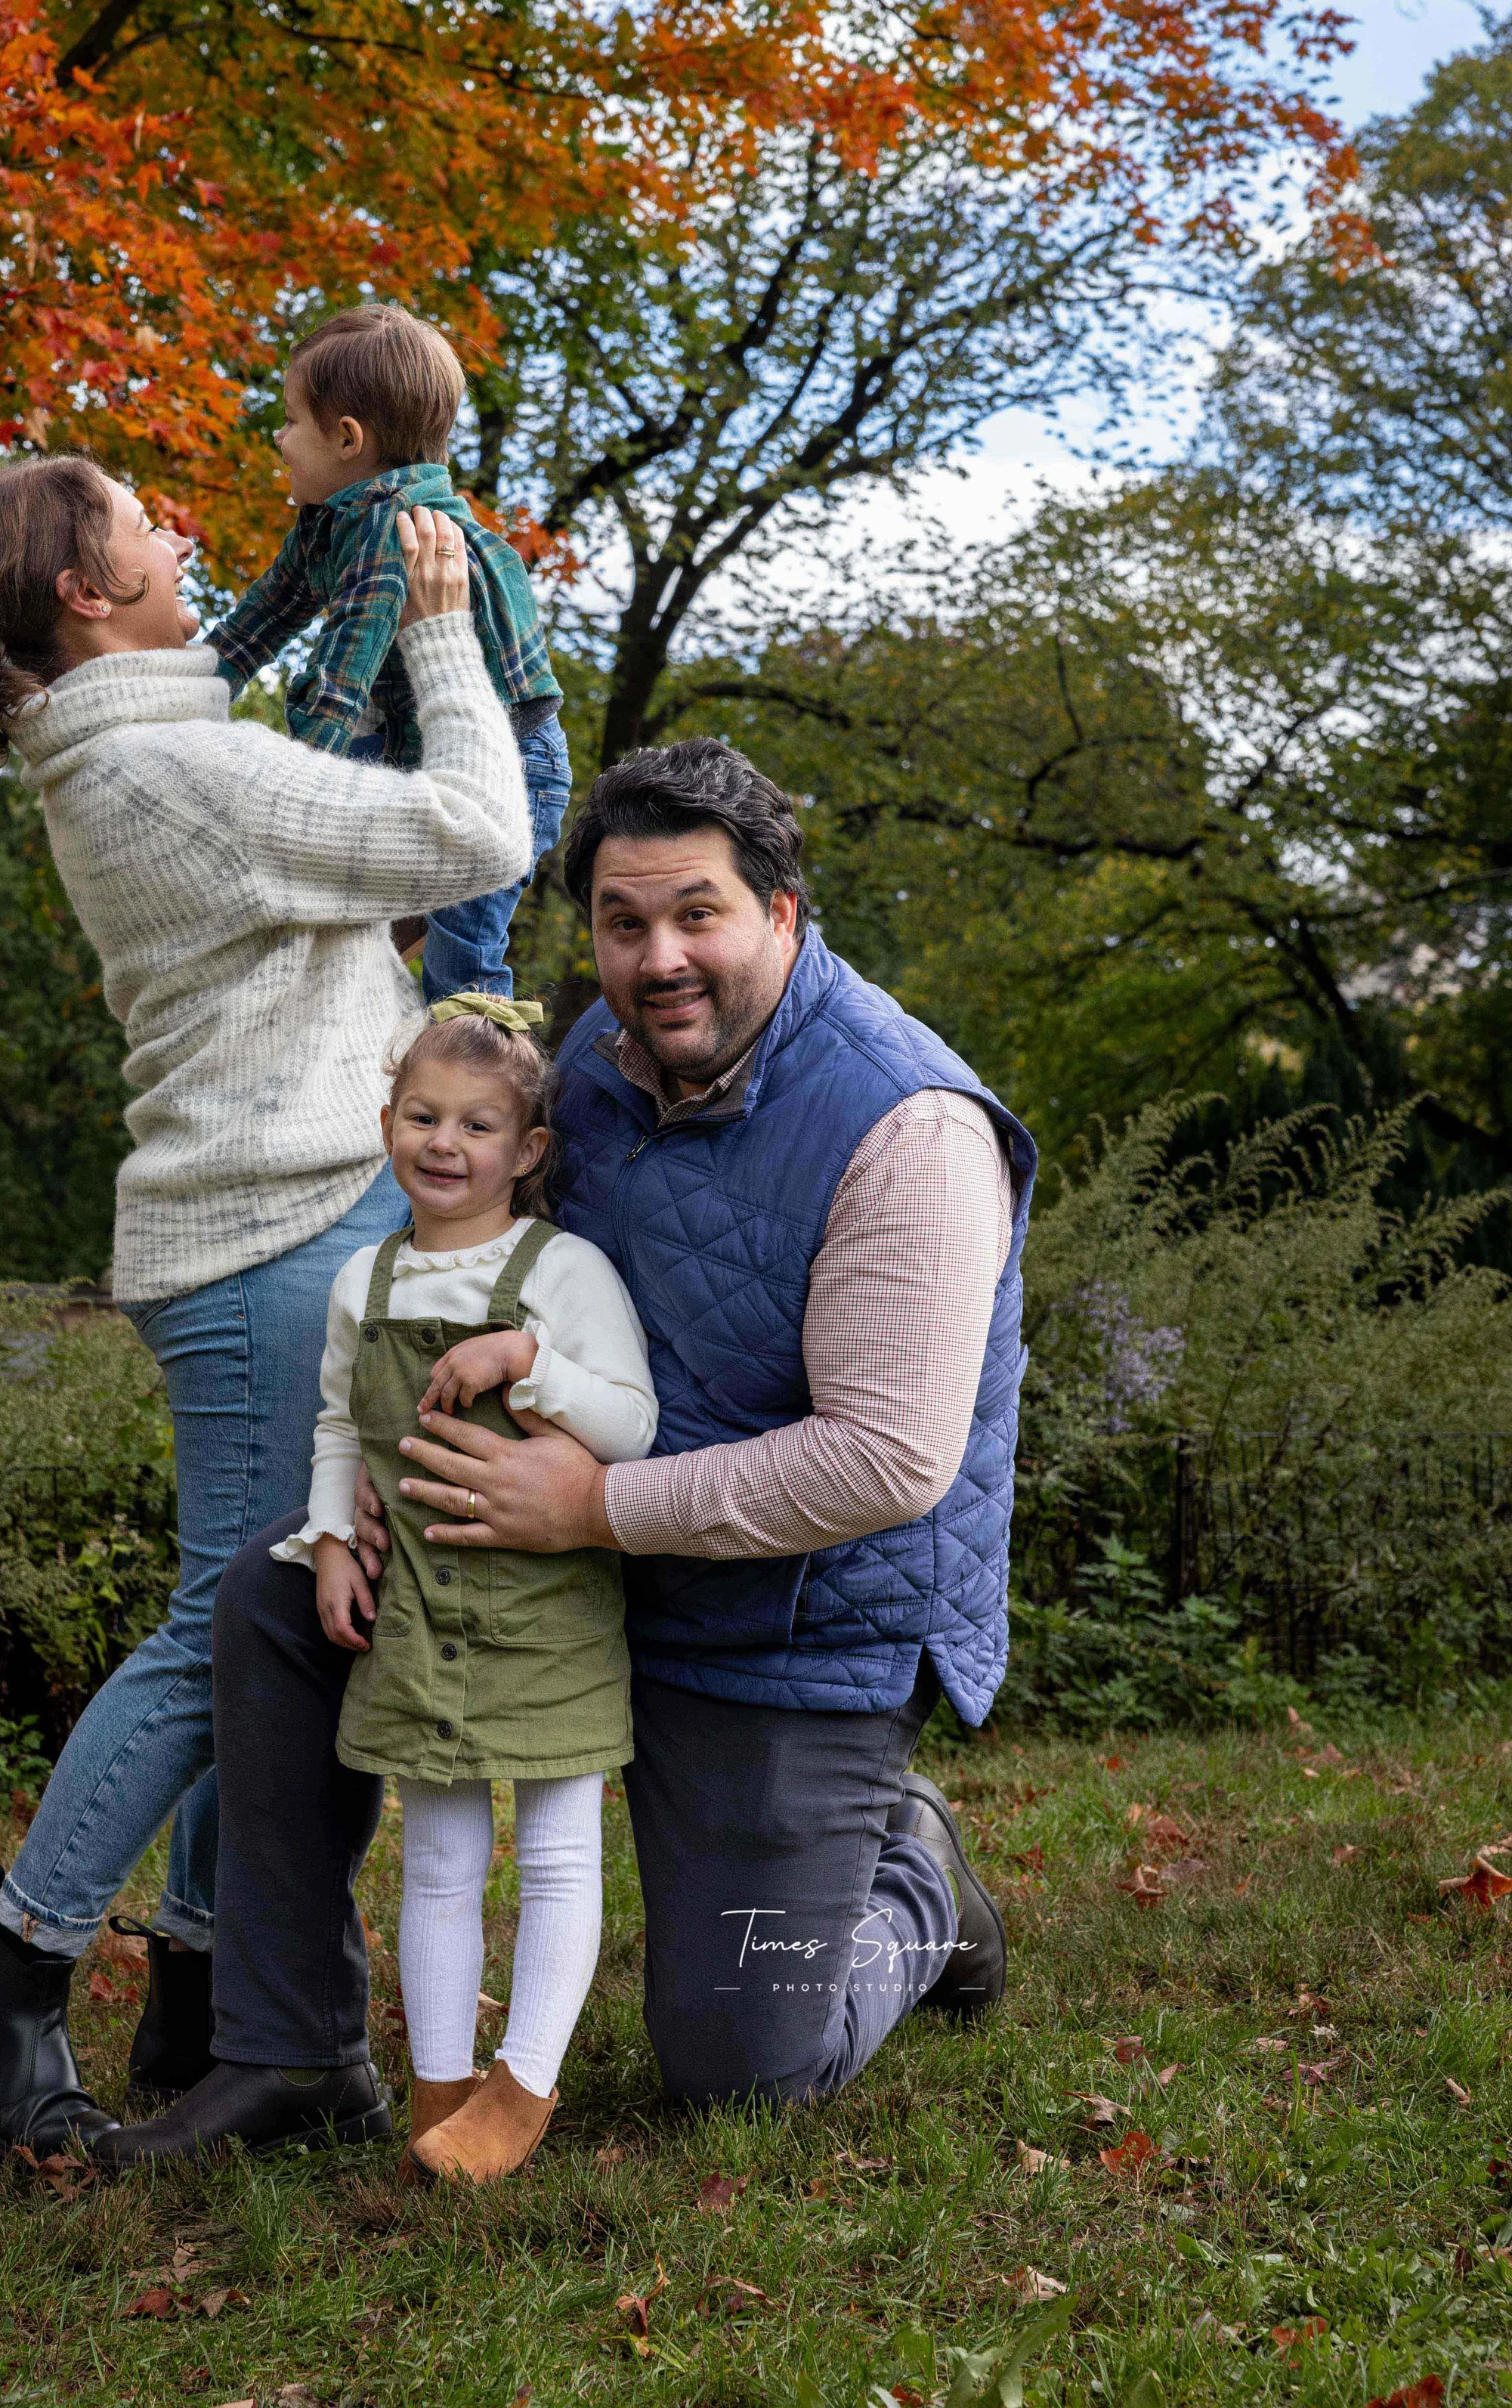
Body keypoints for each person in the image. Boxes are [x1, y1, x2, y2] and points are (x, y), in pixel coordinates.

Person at [97, 738, 1037, 2171]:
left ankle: (914, 1876)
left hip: (789, 1619)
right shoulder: (584, 1070)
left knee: (744, 2063)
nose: (658, 957)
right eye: (621, 921)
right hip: (555, 1568)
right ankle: (291, 2047)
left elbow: (884, 1463)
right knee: (274, 1599)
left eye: (698, 913)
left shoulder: (909, 1126)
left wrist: (596, 1501)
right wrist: (354, 1509)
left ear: (784, 910)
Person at [0, 452, 531, 2162]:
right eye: (140, 522)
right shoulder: (182, 766)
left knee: (270, 1637)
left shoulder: (149, 752)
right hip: (264, 1237)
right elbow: (484, 825)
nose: (178, 531)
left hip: (274, 1222)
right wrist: (439, 630)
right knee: (224, 1631)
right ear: (88, 594)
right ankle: (11, 1994)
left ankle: (205, 1989)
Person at [277, 992, 657, 2183]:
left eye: (478, 1126)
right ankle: (443, 2085)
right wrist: (332, 1536)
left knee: (555, 1853)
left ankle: (524, 2086)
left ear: (527, 1150)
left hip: (549, 1614)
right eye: (423, 1117)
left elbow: (636, 1431)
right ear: (387, 1122)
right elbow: (342, 1424)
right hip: (419, 1614)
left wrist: (531, 1362)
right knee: (438, 1861)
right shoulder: (363, 1283)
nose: (446, 1144)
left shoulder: (565, 1272)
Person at [205, 304, 570, 1002]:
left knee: (461, 966)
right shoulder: (327, 524)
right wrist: (170, 697)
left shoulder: (395, 532)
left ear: (346, 439)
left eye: (288, 421)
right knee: (344, 954)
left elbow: (341, 683)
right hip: (410, 755)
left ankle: (479, 1079)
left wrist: (279, 800)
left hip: (512, 771)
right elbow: (251, 631)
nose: (277, 439)